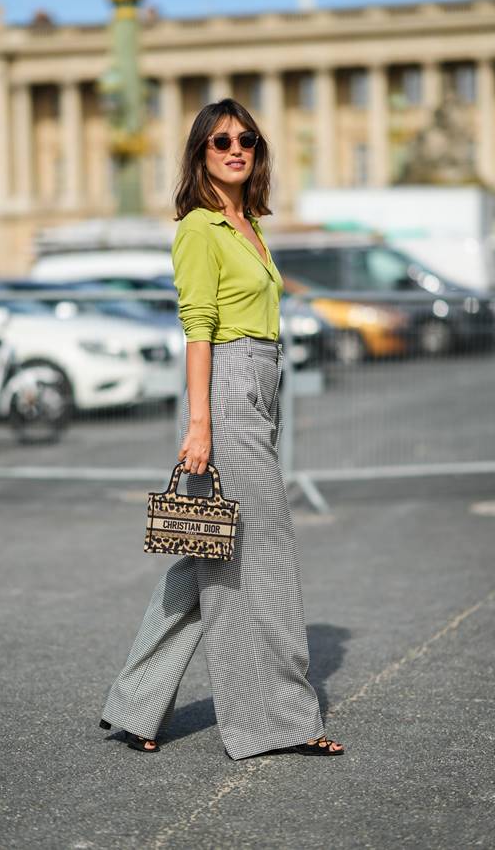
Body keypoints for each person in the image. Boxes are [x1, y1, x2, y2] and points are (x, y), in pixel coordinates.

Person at [99, 97, 344, 760]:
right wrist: (200, 423)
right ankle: (282, 719)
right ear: (201, 152)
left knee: (207, 549)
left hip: (260, 383)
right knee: (262, 557)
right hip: (228, 391)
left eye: (247, 140)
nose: (236, 149)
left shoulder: (248, 223)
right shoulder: (199, 229)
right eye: (221, 141)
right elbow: (197, 331)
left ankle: (135, 705)